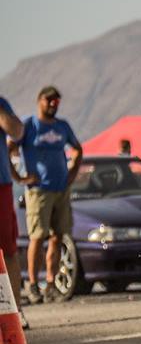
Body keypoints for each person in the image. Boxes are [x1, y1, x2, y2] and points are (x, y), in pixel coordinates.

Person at [12, 86, 83, 303]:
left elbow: (77, 149)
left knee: (57, 237)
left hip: (61, 189)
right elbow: (9, 147)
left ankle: (51, 284)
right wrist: (20, 177)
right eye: (49, 99)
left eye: (56, 101)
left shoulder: (62, 126)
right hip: (38, 191)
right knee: (37, 236)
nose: (53, 104)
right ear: (39, 100)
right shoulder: (29, 125)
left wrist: (72, 174)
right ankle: (33, 284)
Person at [0, 96, 28, 326]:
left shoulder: (1, 104)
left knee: (8, 250)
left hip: (1, 186)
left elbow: (17, 132)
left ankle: (15, 312)